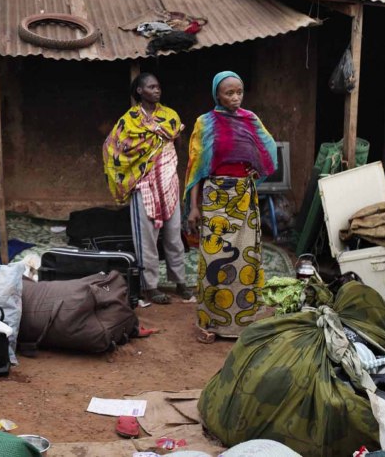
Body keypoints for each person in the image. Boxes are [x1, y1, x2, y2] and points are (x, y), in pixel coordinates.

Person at [184, 71, 277, 343]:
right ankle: (209, 323)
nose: (235, 98)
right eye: (229, 93)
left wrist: (252, 170)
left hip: (244, 198)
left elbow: (267, 149)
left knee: (244, 260)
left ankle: (241, 325)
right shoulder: (205, 123)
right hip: (215, 198)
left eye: (239, 92)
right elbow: (196, 169)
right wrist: (194, 207)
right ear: (217, 95)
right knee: (214, 260)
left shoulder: (251, 120)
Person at [103, 73, 191, 307]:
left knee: (174, 235)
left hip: (168, 181)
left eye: (158, 86)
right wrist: (138, 166)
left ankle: (180, 281)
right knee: (146, 238)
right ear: (139, 91)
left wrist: (166, 163)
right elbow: (114, 147)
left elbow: (177, 142)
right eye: (151, 87)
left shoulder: (170, 115)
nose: (157, 90)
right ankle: (149, 286)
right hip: (142, 183)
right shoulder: (129, 120)